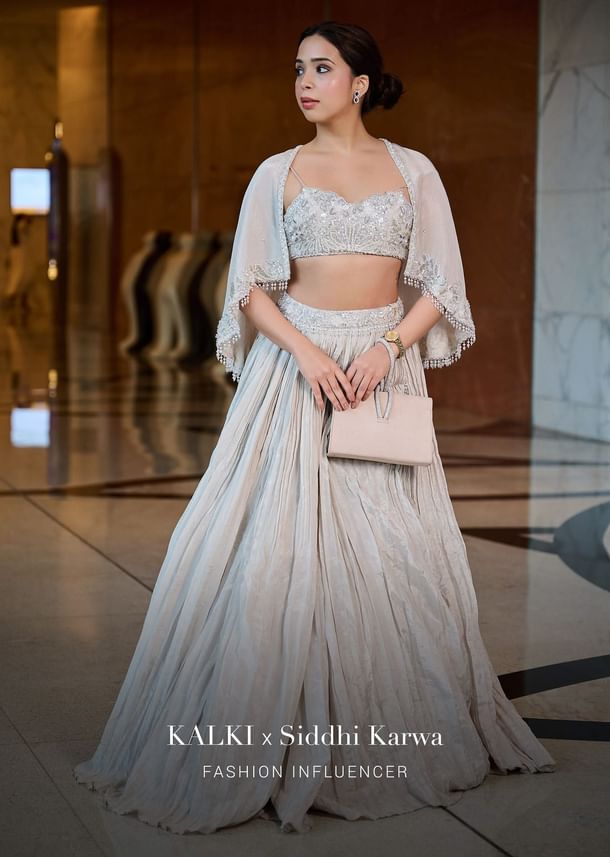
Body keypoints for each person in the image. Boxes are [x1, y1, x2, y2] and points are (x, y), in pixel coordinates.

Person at [73, 20, 556, 836]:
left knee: (391, 546)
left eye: (322, 68)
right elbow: (252, 289)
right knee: (268, 543)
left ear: (360, 82)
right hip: (295, 374)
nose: (304, 82)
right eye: (298, 68)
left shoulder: (414, 171)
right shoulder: (276, 172)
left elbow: (441, 284)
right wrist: (304, 353)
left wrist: (387, 344)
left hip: (377, 368)